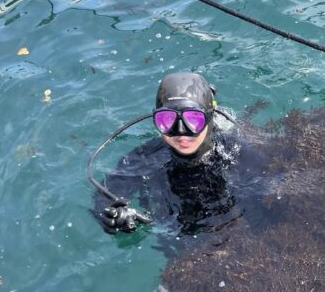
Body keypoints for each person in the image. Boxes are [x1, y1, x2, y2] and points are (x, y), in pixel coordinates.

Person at [94, 71, 246, 237]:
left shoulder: (237, 151)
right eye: (167, 119)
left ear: (210, 117)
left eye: (193, 119)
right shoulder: (146, 156)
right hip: (179, 236)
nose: (181, 132)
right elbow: (108, 193)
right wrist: (112, 216)